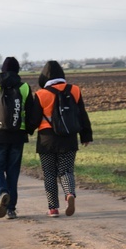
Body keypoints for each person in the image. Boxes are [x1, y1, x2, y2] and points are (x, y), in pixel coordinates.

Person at [31, 60, 93, 217]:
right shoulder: (74, 90)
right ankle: (70, 194)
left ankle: (53, 208)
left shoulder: (40, 95)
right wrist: (86, 136)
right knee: (66, 170)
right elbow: (82, 114)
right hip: (69, 137)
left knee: (50, 173)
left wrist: (26, 130)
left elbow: (33, 120)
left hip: (47, 140)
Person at [0, 56, 35, 219]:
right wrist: (29, 129)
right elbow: (30, 111)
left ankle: (2, 193)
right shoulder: (24, 87)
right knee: (13, 171)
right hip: (18, 135)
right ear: (17, 70)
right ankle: (11, 209)